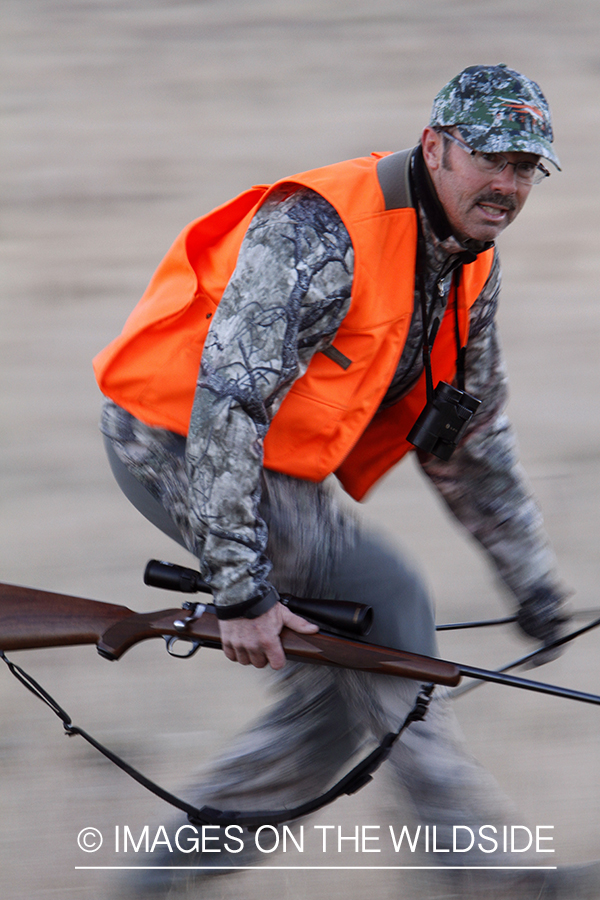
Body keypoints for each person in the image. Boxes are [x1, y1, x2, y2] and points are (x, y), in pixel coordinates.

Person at [94, 65, 597, 898]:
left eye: (526, 168)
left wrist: (531, 578)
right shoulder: (320, 228)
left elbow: (467, 435)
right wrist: (242, 589)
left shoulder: (468, 264)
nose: (508, 185)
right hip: (177, 442)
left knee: (335, 707)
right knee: (390, 603)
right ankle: (492, 879)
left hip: (262, 468)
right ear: (435, 146)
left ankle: (156, 885)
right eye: (492, 159)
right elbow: (230, 401)